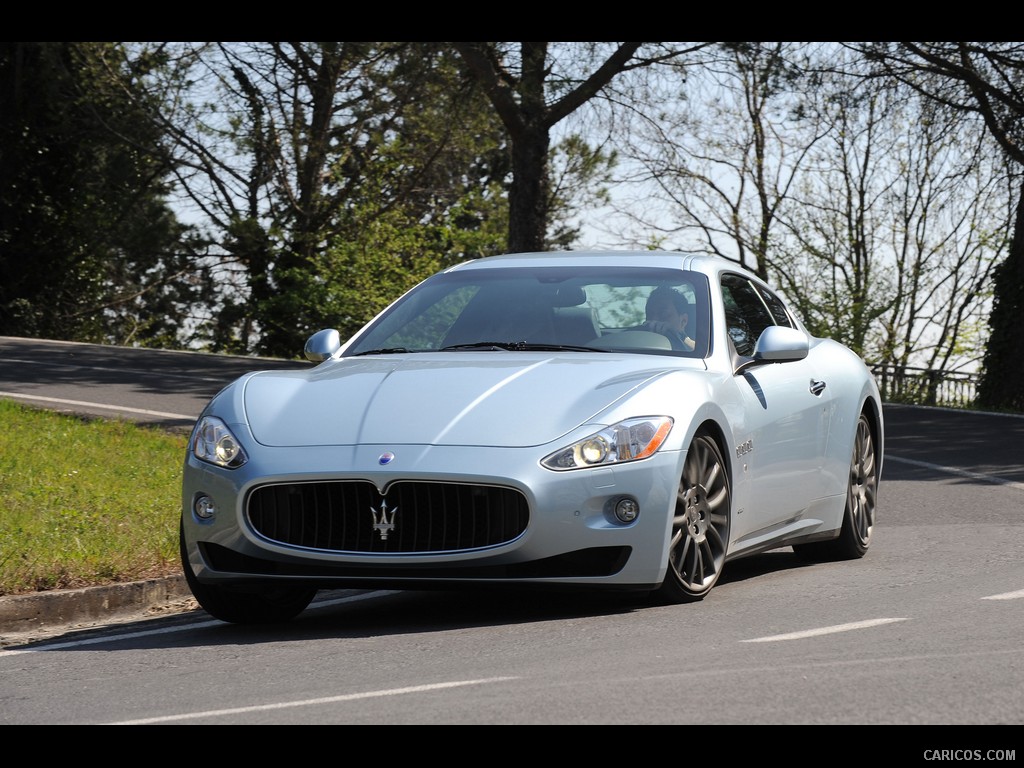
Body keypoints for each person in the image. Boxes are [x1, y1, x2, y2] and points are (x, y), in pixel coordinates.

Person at [641, 285, 695, 351]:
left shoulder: (694, 353)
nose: (654, 321)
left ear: (683, 321)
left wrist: (680, 337)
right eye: (649, 315)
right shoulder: (635, 344)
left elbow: (699, 350)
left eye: (663, 314)